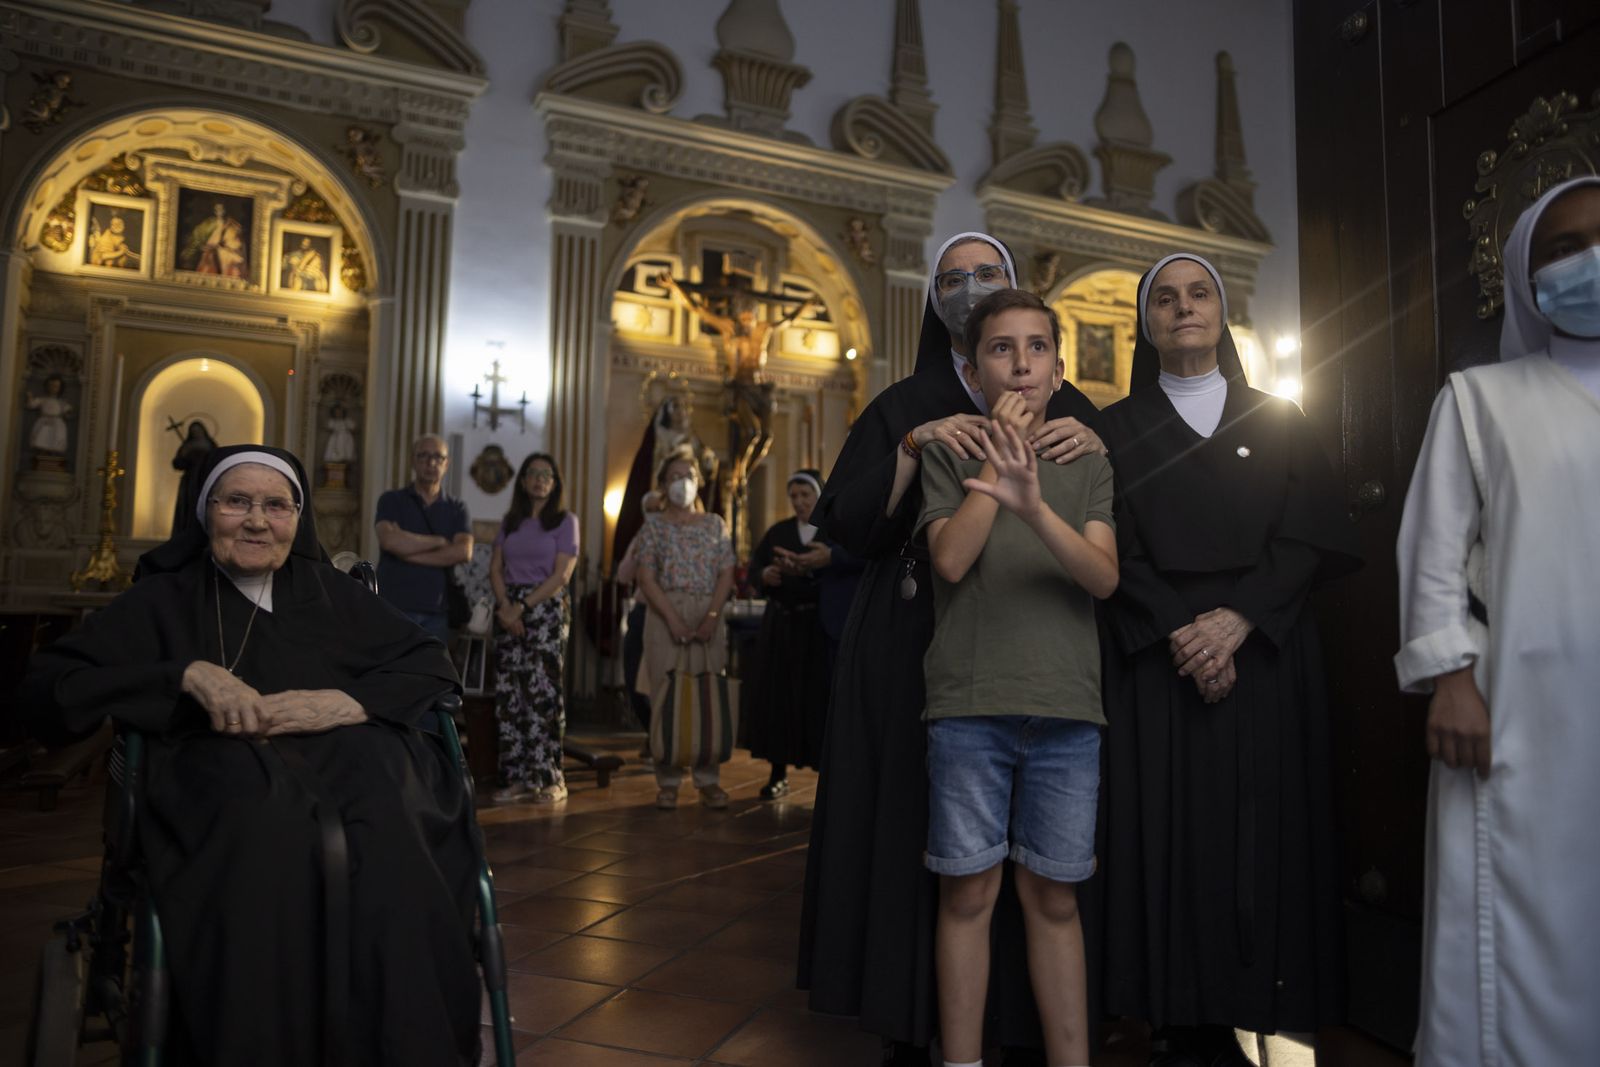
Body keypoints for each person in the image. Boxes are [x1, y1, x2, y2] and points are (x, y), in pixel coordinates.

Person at [21, 445, 480, 1065]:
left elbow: (429, 661)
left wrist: (347, 702)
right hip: (222, 777)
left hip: (353, 768)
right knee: (265, 827)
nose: (258, 521)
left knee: (394, 821)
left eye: (276, 505)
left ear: (298, 517)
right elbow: (46, 689)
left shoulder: (329, 592)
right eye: (237, 502)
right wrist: (183, 675)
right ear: (204, 511)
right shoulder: (163, 599)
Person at [799, 231, 1105, 1063]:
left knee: (1045, 873)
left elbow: (1108, 526)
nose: (971, 286)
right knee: (935, 850)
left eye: (987, 273)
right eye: (953, 278)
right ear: (936, 303)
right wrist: (912, 446)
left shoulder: (1068, 405)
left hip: (1040, 649)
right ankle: (915, 1021)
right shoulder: (908, 402)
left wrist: (1098, 446)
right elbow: (852, 520)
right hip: (918, 639)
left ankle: (1025, 1030)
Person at [1097, 253, 1360, 1065]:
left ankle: (1258, 1007)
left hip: (1265, 652)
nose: (1184, 308)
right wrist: (1185, 630)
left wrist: (1238, 619)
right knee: (1167, 836)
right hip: (1158, 658)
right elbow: (1110, 546)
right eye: (1165, 298)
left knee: (1262, 836)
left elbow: (1310, 532)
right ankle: (1176, 1018)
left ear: (1221, 312)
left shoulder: (1281, 417)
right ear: (1145, 322)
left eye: (1199, 293)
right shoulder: (1112, 430)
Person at [1394, 174, 1600, 1067]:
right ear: (1527, 275)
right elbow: (1433, 554)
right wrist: (1451, 679)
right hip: (1519, 705)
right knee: (1520, 908)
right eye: (1564, 248)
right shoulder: (1480, 398)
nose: (1590, 259)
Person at [919, 288, 1118, 1067]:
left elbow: (1102, 577)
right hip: (970, 704)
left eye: (1038, 347)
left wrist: (1033, 506)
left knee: (1054, 896)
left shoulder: (1087, 457)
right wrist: (996, 469)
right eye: (1002, 348)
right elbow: (949, 560)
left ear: (1059, 370)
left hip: (1066, 707)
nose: (1022, 363)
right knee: (968, 892)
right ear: (974, 372)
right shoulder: (950, 449)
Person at [631, 447, 736, 809]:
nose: (682, 483)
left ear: (699, 482)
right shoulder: (654, 526)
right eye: (674, 477)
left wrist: (711, 617)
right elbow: (646, 577)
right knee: (666, 694)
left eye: (688, 476)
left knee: (707, 692)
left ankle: (708, 779)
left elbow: (726, 572)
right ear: (663, 485)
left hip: (708, 609)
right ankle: (668, 779)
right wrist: (673, 619)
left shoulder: (715, 524)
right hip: (665, 613)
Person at [489, 453, 578, 804]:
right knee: (510, 696)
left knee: (543, 695)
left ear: (555, 483)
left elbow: (562, 575)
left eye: (547, 474)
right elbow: (496, 568)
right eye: (533, 473)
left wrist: (522, 607)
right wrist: (506, 608)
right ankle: (515, 778)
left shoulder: (565, 521)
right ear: (523, 481)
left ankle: (549, 777)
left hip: (545, 610)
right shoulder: (510, 521)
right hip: (508, 609)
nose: (540, 479)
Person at [746, 469, 833, 799]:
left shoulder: (831, 532)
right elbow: (755, 569)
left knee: (818, 701)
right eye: (794, 496)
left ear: (819, 495)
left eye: (805, 495)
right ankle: (777, 772)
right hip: (781, 627)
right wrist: (765, 575)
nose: (799, 502)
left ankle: (825, 777)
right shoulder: (779, 531)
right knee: (778, 699)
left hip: (817, 629)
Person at [375, 434, 473, 645]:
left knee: (432, 667)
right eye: (423, 456)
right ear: (413, 461)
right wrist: (439, 541)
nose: (431, 463)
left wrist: (407, 551)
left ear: (446, 464)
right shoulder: (391, 500)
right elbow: (389, 542)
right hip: (393, 606)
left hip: (437, 611)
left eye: (438, 457)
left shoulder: (457, 508)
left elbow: (463, 552)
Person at [170, 419, 218, 538]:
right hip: (189, 481)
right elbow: (177, 464)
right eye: (193, 431)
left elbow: (216, 461)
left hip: (204, 480)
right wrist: (185, 456)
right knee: (187, 507)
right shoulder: (186, 445)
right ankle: (185, 533)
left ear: (203, 430)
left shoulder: (210, 445)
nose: (196, 433)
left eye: (198, 430)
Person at [25, 375, 71, 454]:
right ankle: (42, 452)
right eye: (51, 385)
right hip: (43, 422)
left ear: (60, 388)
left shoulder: (62, 402)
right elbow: (31, 405)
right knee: (42, 438)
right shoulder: (42, 400)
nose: (53, 388)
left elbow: (68, 411)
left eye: (56, 386)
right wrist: (30, 397)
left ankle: (53, 453)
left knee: (56, 438)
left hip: (57, 423)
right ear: (47, 386)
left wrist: (69, 414)